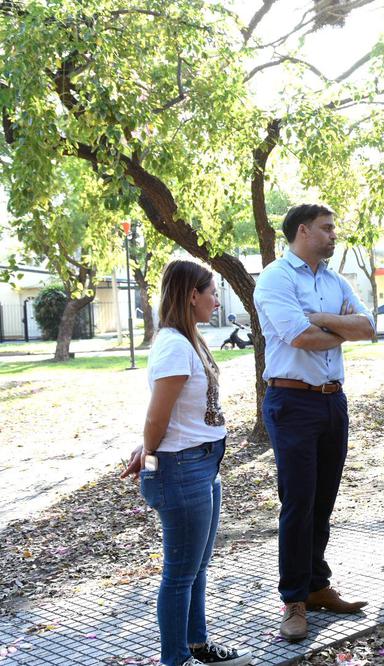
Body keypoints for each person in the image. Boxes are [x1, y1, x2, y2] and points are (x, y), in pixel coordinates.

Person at [253, 204, 374, 642]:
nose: (333, 234)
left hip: (332, 402)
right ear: (303, 231)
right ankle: (293, 600)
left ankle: (318, 585)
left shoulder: (333, 279)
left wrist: (323, 318)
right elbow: (299, 338)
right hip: (291, 401)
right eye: (326, 228)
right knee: (298, 502)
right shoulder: (275, 278)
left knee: (323, 500)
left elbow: (368, 326)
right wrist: (340, 329)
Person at [121, 260, 252, 666]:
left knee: (196, 569)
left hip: (203, 466)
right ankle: (174, 660)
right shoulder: (175, 345)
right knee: (179, 576)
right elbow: (156, 417)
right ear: (191, 295)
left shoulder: (188, 338)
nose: (216, 300)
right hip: (182, 470)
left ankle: (197, 645)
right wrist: (149, 450)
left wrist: (150, 447)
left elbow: (174, 416)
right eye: (212, 292)